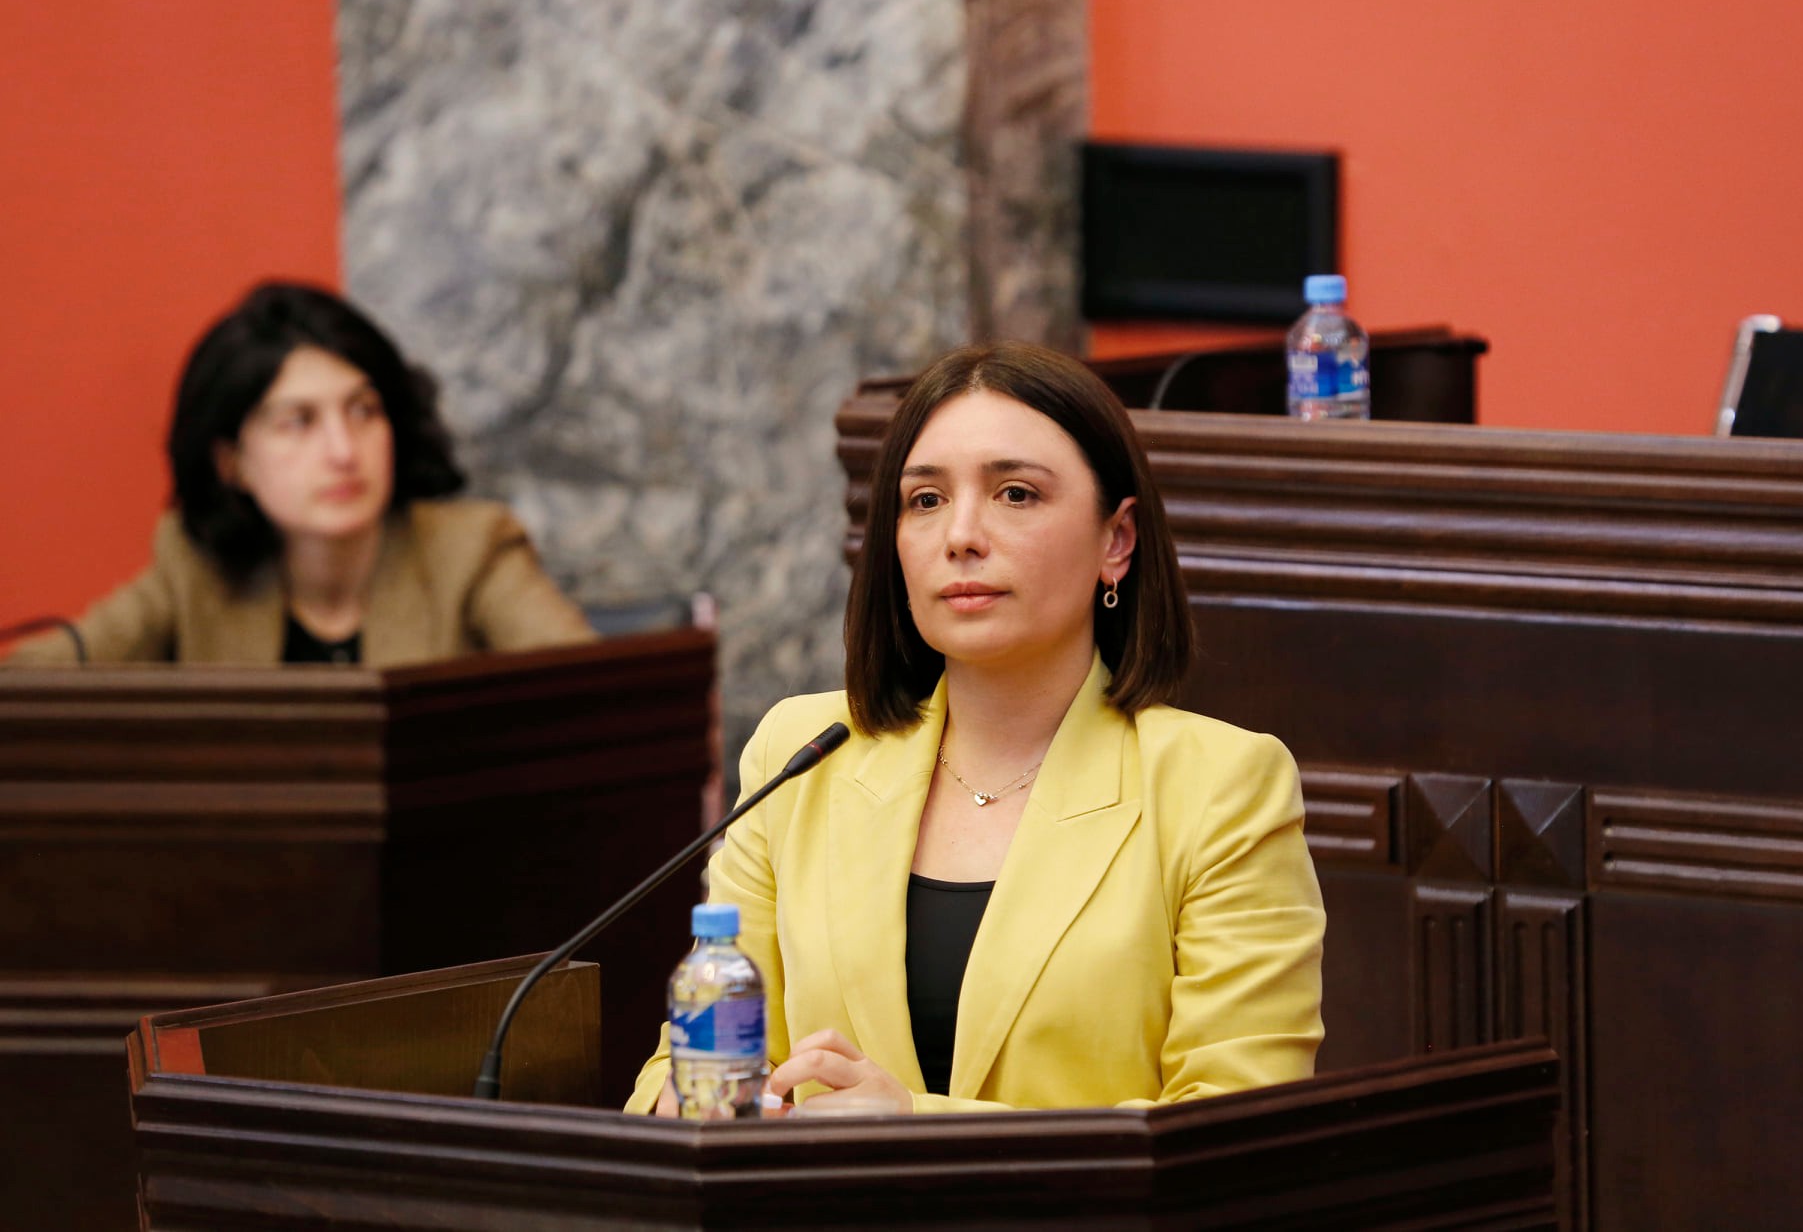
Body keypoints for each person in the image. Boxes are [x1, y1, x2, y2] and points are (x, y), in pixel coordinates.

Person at [628, 340, 1324, 1116]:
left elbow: (1230, 1133)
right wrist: (693, 1107)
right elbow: (690, 1062)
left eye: (1015, 494)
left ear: (1116, 541)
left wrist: (912, 1128)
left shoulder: (1222, 785)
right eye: (925, 500)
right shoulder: (801, 752)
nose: (960, 534)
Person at [5, 282, 594, 666]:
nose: (343, 451)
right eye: (299, 422)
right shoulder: (197, 569)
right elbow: (36, 683)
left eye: (363, 412)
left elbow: (593, 697)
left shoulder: (470, 551)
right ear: (232, 464)